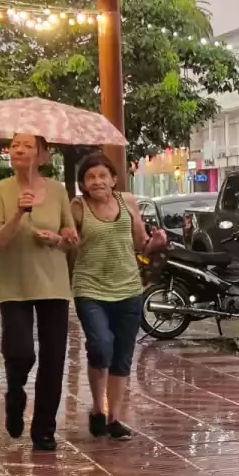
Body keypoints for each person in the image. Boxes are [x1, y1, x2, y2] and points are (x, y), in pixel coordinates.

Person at [0, 133, 79, 452]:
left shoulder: (58, 190)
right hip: (14, 283)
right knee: (20, 352)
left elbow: (69, 239)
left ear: (44, 156)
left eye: (27, 146)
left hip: (53, 281)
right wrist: (19, 214)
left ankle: (44, 429)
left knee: (53, 358)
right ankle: (15, 393)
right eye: (15, 145)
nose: (19, 150)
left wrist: (59, 238)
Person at [71, 152, 167, 441]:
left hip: (128, 289)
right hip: (90, 289)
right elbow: (67, 242)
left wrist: (157, 242)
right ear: (83, 184)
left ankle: (112, 418)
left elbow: (141, 244)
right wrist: (65, 240)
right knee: (101, 346)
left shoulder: (127, 202)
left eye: (103, 175)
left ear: (114, 178)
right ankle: (97, 408)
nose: (97, 181)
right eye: (90, 177)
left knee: (122, 356)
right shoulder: (77, 207)